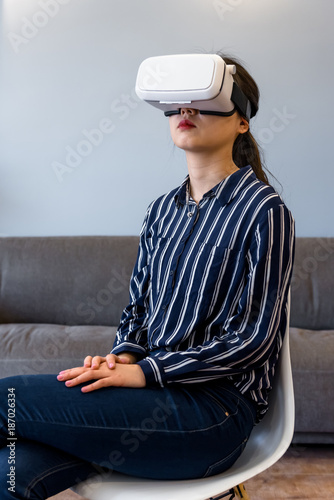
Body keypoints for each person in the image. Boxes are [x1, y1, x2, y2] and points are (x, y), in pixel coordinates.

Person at [0, 54, 295, 499]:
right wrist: (124, 358)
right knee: (9, 472)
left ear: (241, 122)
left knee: (6, 400)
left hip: (211, 416)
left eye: (204, 100)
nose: (186, 112)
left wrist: (148, 372)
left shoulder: (264, 212)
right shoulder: (160, 211)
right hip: (143, 405)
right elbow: (137, 308)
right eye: (177, 104)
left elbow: (252, 340)